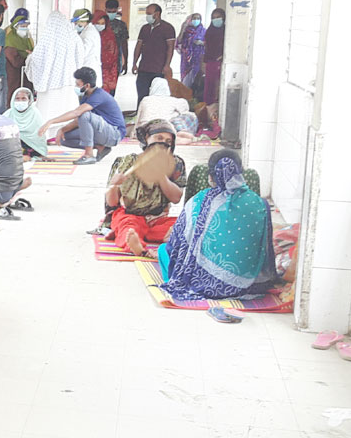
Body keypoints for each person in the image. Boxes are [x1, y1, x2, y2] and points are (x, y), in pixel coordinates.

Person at [158, 149, 278, 301]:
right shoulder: (261, 204)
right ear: (240, 172)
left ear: (211, 176)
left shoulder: (199, 200)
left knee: (163, 250)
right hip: (251, 285)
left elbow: (175, 245)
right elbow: (266, 249)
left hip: (204, 284)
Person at [103, 119, 187, 257]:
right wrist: (114, 185)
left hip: (158, 218)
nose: (163, 144)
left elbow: (176, 198)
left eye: (168, 141)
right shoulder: (128, 162)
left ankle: (163, 239)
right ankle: (137, 247)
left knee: (183, 225)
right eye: (159, 138)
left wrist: (161, 175)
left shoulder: (176, 163)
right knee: (128, 227)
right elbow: (112, 202)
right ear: (147, 138)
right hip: (130, 215)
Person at [37, 67, 124, 165]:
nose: (76, 87)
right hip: (102, 130)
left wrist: (51, 122)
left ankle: (89, 155)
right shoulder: (86, 97)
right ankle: (100, 147)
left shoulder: (99, 95)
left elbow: (77, 113)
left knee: (84, 115)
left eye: (78, 84)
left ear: (87, 85)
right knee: (63, 138)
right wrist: (62, 130)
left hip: (114, 134)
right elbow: (78, 121)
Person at [25, 10, 84, 121]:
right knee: (68, 117)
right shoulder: (74, 38)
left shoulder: (46, 39)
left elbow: (36, 61)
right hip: (69, 83)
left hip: (49, 87)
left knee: (47, 117)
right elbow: (80, 59)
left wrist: (29, 57)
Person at [132, 3, 176, 107]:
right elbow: (138, 46)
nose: (147, 16)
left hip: (158, 69)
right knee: (142, 97)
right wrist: (134, 63)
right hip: (143, 68)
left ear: (157, 14)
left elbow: (170, 48)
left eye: (149, 13)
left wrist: (167, 65)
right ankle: (141, 114)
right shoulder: (145, 28)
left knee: (157, 97)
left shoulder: (168, 28)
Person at [136, 77, 195, 144]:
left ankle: (168, 137)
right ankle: (179, 134)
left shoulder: (145, 100)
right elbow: (185, 111)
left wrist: (134, 133)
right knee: (190, 115)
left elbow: (138, 119)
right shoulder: (174, 101)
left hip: (146, 129)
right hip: (165, 127)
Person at [4, 86, 47, 161]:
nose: (20, 101)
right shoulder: (8, 114)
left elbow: (40, 136)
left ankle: (24, 157)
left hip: (31, 146)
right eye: (17, 99)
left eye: (23, 98)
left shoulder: (35, 113)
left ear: (29, 100)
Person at [3, 9, 34, 103]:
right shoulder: (10, 39)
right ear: (15, 27)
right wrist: (28, 57)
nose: (25, 28)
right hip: (14, 76)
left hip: (25, 76)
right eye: (22, 26)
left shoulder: (27, 38)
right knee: (14, 97)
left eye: (26, 26)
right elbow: (15, 61)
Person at [72, 8, 103, 96]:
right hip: (87, 68)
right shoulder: (87, 31)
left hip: (89, 67)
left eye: (77, 23)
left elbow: (82, 52)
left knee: (88, 97)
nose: (76, 25)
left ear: (84, 21)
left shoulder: (89, 33)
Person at [176, 12, 206, 96]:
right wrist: (182, 29)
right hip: (186, 61)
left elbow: (209, 44)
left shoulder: (204, 31)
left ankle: (195, 98)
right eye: (194, 18)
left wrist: (202, 43)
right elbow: (179, 42)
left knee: (197, 80)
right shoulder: (186, 31)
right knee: (186, 82)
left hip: (198, 59)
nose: (196, 20)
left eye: (198, 18)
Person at [203, 8, 225, 106]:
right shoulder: (209, 32)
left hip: (222, 62)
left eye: (218, 17)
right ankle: (208, 107)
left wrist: (223, 56)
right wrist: (204, 62)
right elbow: (207, 48)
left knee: (220, 85)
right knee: (210, 86)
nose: (216, 20)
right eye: (214, 18)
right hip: (211, 62)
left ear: (223, 18)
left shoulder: (227, 32)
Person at [93, 10, 119, 94]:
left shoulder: (109, 36)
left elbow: (112, 55)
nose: (100, 25)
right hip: (93, 69)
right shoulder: (90, 35)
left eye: (102, 23)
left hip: (107, 71)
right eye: (98, 23)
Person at [105, 0, 130, 76]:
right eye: (109, 12)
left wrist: (125, 62)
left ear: (117, 10)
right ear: (105, 10)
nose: (111, 14)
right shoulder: (100, 24)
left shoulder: (121, 25)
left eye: (113, 12)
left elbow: (124, 44)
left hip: (115, 61)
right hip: (100, 60)